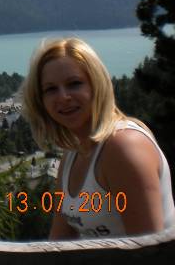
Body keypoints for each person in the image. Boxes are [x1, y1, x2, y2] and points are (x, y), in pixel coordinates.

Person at [22, 37, 174, 239]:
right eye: (51, 89)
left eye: (74, 84)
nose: (63, 97)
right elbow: (58, 245)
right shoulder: (72, 155)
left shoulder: (123, 147)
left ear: (97, 85)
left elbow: (149, 250)